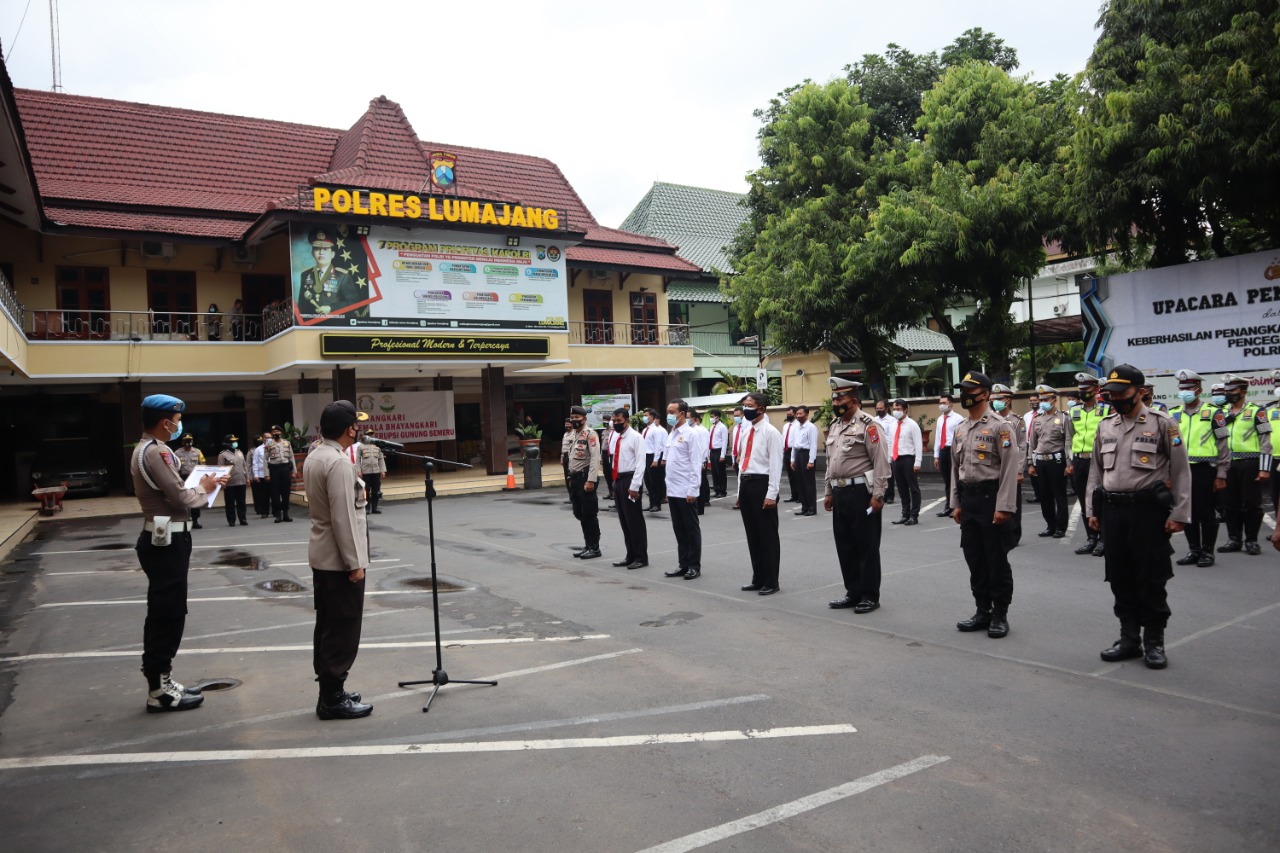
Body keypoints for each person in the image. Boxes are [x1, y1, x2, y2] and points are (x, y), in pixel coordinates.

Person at [1086, 365, 1191, 670]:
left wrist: (1180, 513)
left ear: (1140, 391)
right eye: (1112, 393)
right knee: (1120, 575)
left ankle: (1154, 641)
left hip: (1147, 512)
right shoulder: (1106, 425)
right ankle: (1129, 638)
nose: (1115, 399)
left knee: (1151, 577)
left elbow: (1181, 471)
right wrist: (1094, 510)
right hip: (1113, 511)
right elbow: (1096, 471)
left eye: (1122, 393)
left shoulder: (1162, 423)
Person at [131, 394, 226, 712]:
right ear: (165, 422)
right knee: (167, 613)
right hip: (166, 541)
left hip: (163, 538)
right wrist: (207, 486)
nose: (178, 424)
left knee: (165, 611)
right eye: (176, 419)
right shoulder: (158, 452)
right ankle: (159, 689)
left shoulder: (146, 448)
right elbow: (181, 497)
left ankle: (162, 679)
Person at [305, 400, 374, 719]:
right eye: (356, 425)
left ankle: (330, 690)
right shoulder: (339, 463)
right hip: (339, 560)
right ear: (351, 429)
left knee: (328, 626)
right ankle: (332, 697)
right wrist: (354, 563)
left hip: (323, 556)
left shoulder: (316, 455)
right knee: (343, 628)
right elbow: (344, 518)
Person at [950, 372, 1020, 638]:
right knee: (975, 558)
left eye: (970, 391)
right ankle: (982, 610)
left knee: (995, 559)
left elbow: (1009, 470)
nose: (965, 396)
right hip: (969, 501)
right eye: (963, 390)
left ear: (985, 395)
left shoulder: (1001, 427)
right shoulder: (961, 428)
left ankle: (1000, 614)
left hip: (992, 500)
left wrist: (1004, 507)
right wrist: (956, 502)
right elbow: (956, 470)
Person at [825, 378, 892, 612]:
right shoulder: (835, 426)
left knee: (866, 545)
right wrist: (828, 490)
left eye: (840, 398)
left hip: (861, 492)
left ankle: (870, 594)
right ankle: (853, 591)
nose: (835, 402)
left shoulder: (869, 425)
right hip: (840, 491)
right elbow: (830, 461)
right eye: (834, 398)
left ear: (853, 401)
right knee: (845, 545)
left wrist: (879, 494)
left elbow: (881, 461)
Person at [1168, 369, 1230, 567]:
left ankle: (1207, 552)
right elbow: (1168, 445)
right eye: (1182, 388)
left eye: (1189, 388)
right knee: (1186, 511)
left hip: (1205, 470)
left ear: (1199, 390)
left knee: (1205, 512)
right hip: (1180, 470)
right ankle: (1193, 549)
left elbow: (1223, 445)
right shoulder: (1173, 414)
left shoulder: (1214, 413)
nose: (1185, 391)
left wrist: (1221, 474)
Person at [735, 392, 785, 595]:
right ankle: (758, 578)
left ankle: (771, 581)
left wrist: (772, 494)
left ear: (761, 409)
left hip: (762, 484)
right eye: (745, 405)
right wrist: (739, 491)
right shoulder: (746, 432)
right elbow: (741, 462)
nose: (745, 409)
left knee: (767, 536)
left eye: (749, 405)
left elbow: (775, 465)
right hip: (747, 484)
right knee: (753, 535)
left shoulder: (771, 432)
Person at [1217, 374, 1272, 555]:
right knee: (1229, 502)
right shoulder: (1222, 413)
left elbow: (1265, 441)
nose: (1228, 394)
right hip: (1227, 463)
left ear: (1243, 391)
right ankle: (1234, 539)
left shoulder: (1257, 411)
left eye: (1232, 390)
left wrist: (1264, 468)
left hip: (1250, 463)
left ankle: (1251, 540)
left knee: (1251, 503)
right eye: (1226, 391)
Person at [1066, 373, 1110, 557]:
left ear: (1096, 390)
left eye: (1087, 390)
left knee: (1101, 501)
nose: (1083, 393)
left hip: (1098, 460)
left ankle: (1104, 540)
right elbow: (1069, 437)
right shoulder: (1073, 411)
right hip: (1079, 460)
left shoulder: (1107, 410)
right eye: (1081, 390)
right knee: (1085, 501)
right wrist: (1069, 462)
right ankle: (1091, 538)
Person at [663, 399, 704, 579]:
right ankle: (683, 564)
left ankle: (694, 565)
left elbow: (696, 463)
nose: (669, 415)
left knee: (691, 530)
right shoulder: (671, 434)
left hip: (686, 490)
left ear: (682, 413)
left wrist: (693, 490)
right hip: (673, 490)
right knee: (679, 529)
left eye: (672, 412)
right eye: (668, 411)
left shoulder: (691, 434)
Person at [608, 408, 649, 569]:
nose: (616, 424)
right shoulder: (617, 437)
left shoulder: (636, 437)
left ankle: (640, 557)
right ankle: (630, 555)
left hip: (631, 480)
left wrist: (635, 486)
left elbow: (641, 463)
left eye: (619, 421)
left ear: (627, 420)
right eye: (614, 421)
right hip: (619, 479)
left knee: (634, 521)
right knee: (624, 521)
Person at [1028, 384, 1070, 538]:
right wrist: (1030, 463)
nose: (1043, 402)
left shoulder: (1063, 417)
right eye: (1041, 399)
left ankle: (1061, 527)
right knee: (1044, 496)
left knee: (1059, 495)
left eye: (1046, 399)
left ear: (1054, 400)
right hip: (1040, 461)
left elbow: (1068, 441)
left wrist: (1069, 464)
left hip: (1057, 461)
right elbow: (1032, 442)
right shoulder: (1037, 419)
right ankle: (1050, 525)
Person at [564, 406, 603, 559]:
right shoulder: (573, 434)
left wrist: (591, 480)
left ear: (584, 419)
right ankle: (588, 544)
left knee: (589, 514)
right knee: (578, 513)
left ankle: (594, 547)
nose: (574, 420)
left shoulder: (590, 434)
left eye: (577, 418)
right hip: (574, 479)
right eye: (572, 417)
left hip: (585, 478)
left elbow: (594, 459)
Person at [990, 384, 1026, 550]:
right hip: (997, 469)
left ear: (1008, 400)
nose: (996, 402)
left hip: (1012, 469)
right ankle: (1002, 531)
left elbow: (1022, 446)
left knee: (1013, 502)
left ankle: (1014, 534)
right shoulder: (992, 420)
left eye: (1000, 399)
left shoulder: (1016, 421)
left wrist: (1019, 470)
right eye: (994, 399)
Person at [297, 228, 363, 316]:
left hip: (336, 324)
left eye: (325, 249)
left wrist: (331, 308)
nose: (321, 252)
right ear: (312, 253)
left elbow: (353, 302)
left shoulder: (342, 276)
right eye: (317, 249)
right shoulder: (305, 275)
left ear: (332, 254)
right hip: (311, 325)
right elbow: (301, 306)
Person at [887, 399, 923, 526]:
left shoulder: (912, 425)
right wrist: (889, 459)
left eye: (898, 409)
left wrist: (917, 462)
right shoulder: (892, 425)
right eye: (894, 409)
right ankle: (905, 514)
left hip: (908, 458)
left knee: (913, 488)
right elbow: (890, 442)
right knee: (901, 488)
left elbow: (918, 444)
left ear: (905, 409)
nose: (896, 411)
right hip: (896, 459)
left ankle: (914, 515)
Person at [934, 395, 964, 517]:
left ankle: (957, 506)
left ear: (950, 404)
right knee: (947, 481)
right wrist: (936, 455)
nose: (941, 405)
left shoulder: (958, 418)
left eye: (944, 402)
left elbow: (961, 437)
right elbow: (938, 437)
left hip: (954, 450)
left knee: (955, 480)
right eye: (940, 402)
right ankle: (948, 506)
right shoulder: (940, 419)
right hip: (943, 450)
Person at [789, 405, 819, 516]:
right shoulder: (796, 427)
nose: (798, 416)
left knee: (808, 483)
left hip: (806, 455)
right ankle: (804, 507)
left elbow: (813, 445)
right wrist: (792, 459)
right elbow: (794, 445)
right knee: (800, 482)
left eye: (800, 414)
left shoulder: (811, 427)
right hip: (797, 454)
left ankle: (811, 508)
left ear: (807, 414)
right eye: (797, 414)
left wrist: (811, 461)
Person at [173, 434, 206, 529]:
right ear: (182, 442)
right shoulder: (177, 453)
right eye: (186, 440)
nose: (188, 442)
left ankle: (195, 520)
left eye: (190, 440)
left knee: (195, 498)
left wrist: (202, 476)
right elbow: (174, 467)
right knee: (184, 499)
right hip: (183, 478)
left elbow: (202, 464)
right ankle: (185, 519)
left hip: (195, 478)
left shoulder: (197, 452)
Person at [265, 425, 296, 522]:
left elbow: (291, 457)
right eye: (273, 432)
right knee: (275, 493)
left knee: (286, 492)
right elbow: (265, 459)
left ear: (281, 432)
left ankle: (286, 514)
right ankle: (278, 515)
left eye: (277, 431)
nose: (275, 433)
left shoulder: (287, 443)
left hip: (285, 468)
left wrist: (294, 471)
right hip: (275, 469)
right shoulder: (269, 443)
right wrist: (266, 474)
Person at [217, 434, 249, 526]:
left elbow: (244, 466)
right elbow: (220, 469)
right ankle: (231, 520)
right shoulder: (222, 455)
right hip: (230, 483)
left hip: (241, 481)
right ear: (228, 443)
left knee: (241, 502)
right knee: (230, 503)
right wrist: (222, 482)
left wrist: (247, 478)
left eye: (235, 441)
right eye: (233, 441)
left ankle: (243, 519)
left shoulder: (239, 452)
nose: (235, 443)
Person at [641, 407, 667, 512]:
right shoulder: (645, 430)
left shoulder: (656, 430)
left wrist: (656, 460)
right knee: (647, 482)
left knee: (654, 482)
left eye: (646, 415)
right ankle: (651, 503)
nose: (644, 417)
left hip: (652, 456)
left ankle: (656, 503)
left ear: (651, 417)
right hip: (645, 456)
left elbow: (658, 446)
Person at [357, 429, 387, 514]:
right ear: (365, 435)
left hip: (376, 472)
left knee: (376, 491)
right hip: (365, 472)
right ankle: (367, 508)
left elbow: (381, 459)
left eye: (371, 434)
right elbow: (358, 460)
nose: (370, 436)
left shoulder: (377, 446)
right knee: (366, 491)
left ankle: (374, 508)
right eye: (368, 434)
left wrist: (382, 470)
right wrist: (358, 471)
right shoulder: (361, 446)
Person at [874, 400, 897, 505]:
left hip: (888, 448)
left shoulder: (892, 420)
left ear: (886, 409)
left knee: (889, 473)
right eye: (877, 408)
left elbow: (893, 436)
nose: (879, 410)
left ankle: (890, 495)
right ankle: (881, 494)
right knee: (879, 473)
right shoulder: (874, 420)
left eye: (881, 408)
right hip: (877, 448)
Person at [689, 409, 712, 515]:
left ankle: (700, 507)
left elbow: (704, 446)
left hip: (699, 461)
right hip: (691, 461)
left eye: (688, 417)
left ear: (694, 419)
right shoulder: (689, 430)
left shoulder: (700, 430)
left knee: (700, 484)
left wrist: (703, 461)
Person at [1023, 393, 1043, 504]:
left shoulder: (1043, 413)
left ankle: (1046, 493)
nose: (1032, 402)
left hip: (1040, 445)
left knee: (1041, 471)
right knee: (1032, 471)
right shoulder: (1027, 415)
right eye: (1031, 400)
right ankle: (1037, 494)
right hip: (1029, 445)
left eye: (1035, 400)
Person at [708, 409, 729, 498]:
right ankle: (717, 489)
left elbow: (724, 442)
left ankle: (722, 490)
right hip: (713, 451)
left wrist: (722, 455)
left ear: (717, 417)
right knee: (714, 472)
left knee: (720, 472)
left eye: (712, 417)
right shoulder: (712, 427)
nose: (711, 419)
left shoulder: (722, 427)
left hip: (719, 451)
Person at [249, 431, 271, 518]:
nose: (269, 439)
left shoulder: (274, 447)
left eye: (271, 438)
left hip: (273, 473)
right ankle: (264, 512)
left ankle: (275, 511)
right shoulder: (258, 449)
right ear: (264, 439)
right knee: (264, 495)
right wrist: (256, 475)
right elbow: (255, 463)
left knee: (274, 493)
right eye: (267, 438)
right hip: (262, 475)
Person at [781, 406, 800, 503]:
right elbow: (783, 438)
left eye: (790, 414)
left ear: (795, 414)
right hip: (786, 451)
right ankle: (794, 495)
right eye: (787, 414)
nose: (788, 416)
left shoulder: (798, 425)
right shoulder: (786, 426)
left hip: (795, 451)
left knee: (797, 474)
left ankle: (800, 496)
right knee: (790, 475)